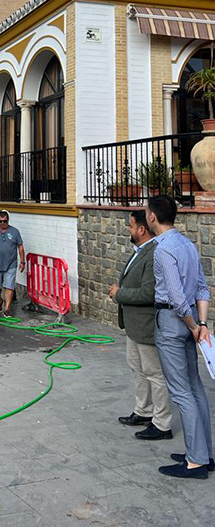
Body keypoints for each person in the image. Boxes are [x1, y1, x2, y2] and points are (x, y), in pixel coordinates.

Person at [145, 195, 214, 479]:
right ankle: (204, 453)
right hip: (190, 323)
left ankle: (196, 461)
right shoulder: (187, 244)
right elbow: (202, 287)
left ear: (152, 217)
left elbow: (175, 297)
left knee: (181, 391)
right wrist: (201, 323)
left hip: (173, 324)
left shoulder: (163, 249)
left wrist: (193, 325)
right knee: (195, 387)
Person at [108, 210, 172, 440]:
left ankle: (162, 423)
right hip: (134, 326)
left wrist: (119, 293)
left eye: (131, 226)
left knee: (155, 374)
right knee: (137, 369)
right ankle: (143, 411)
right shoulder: (140, 251)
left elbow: (149, 292)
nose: (129, 230)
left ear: (142, 229)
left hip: (146, 326)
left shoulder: (154, 253)